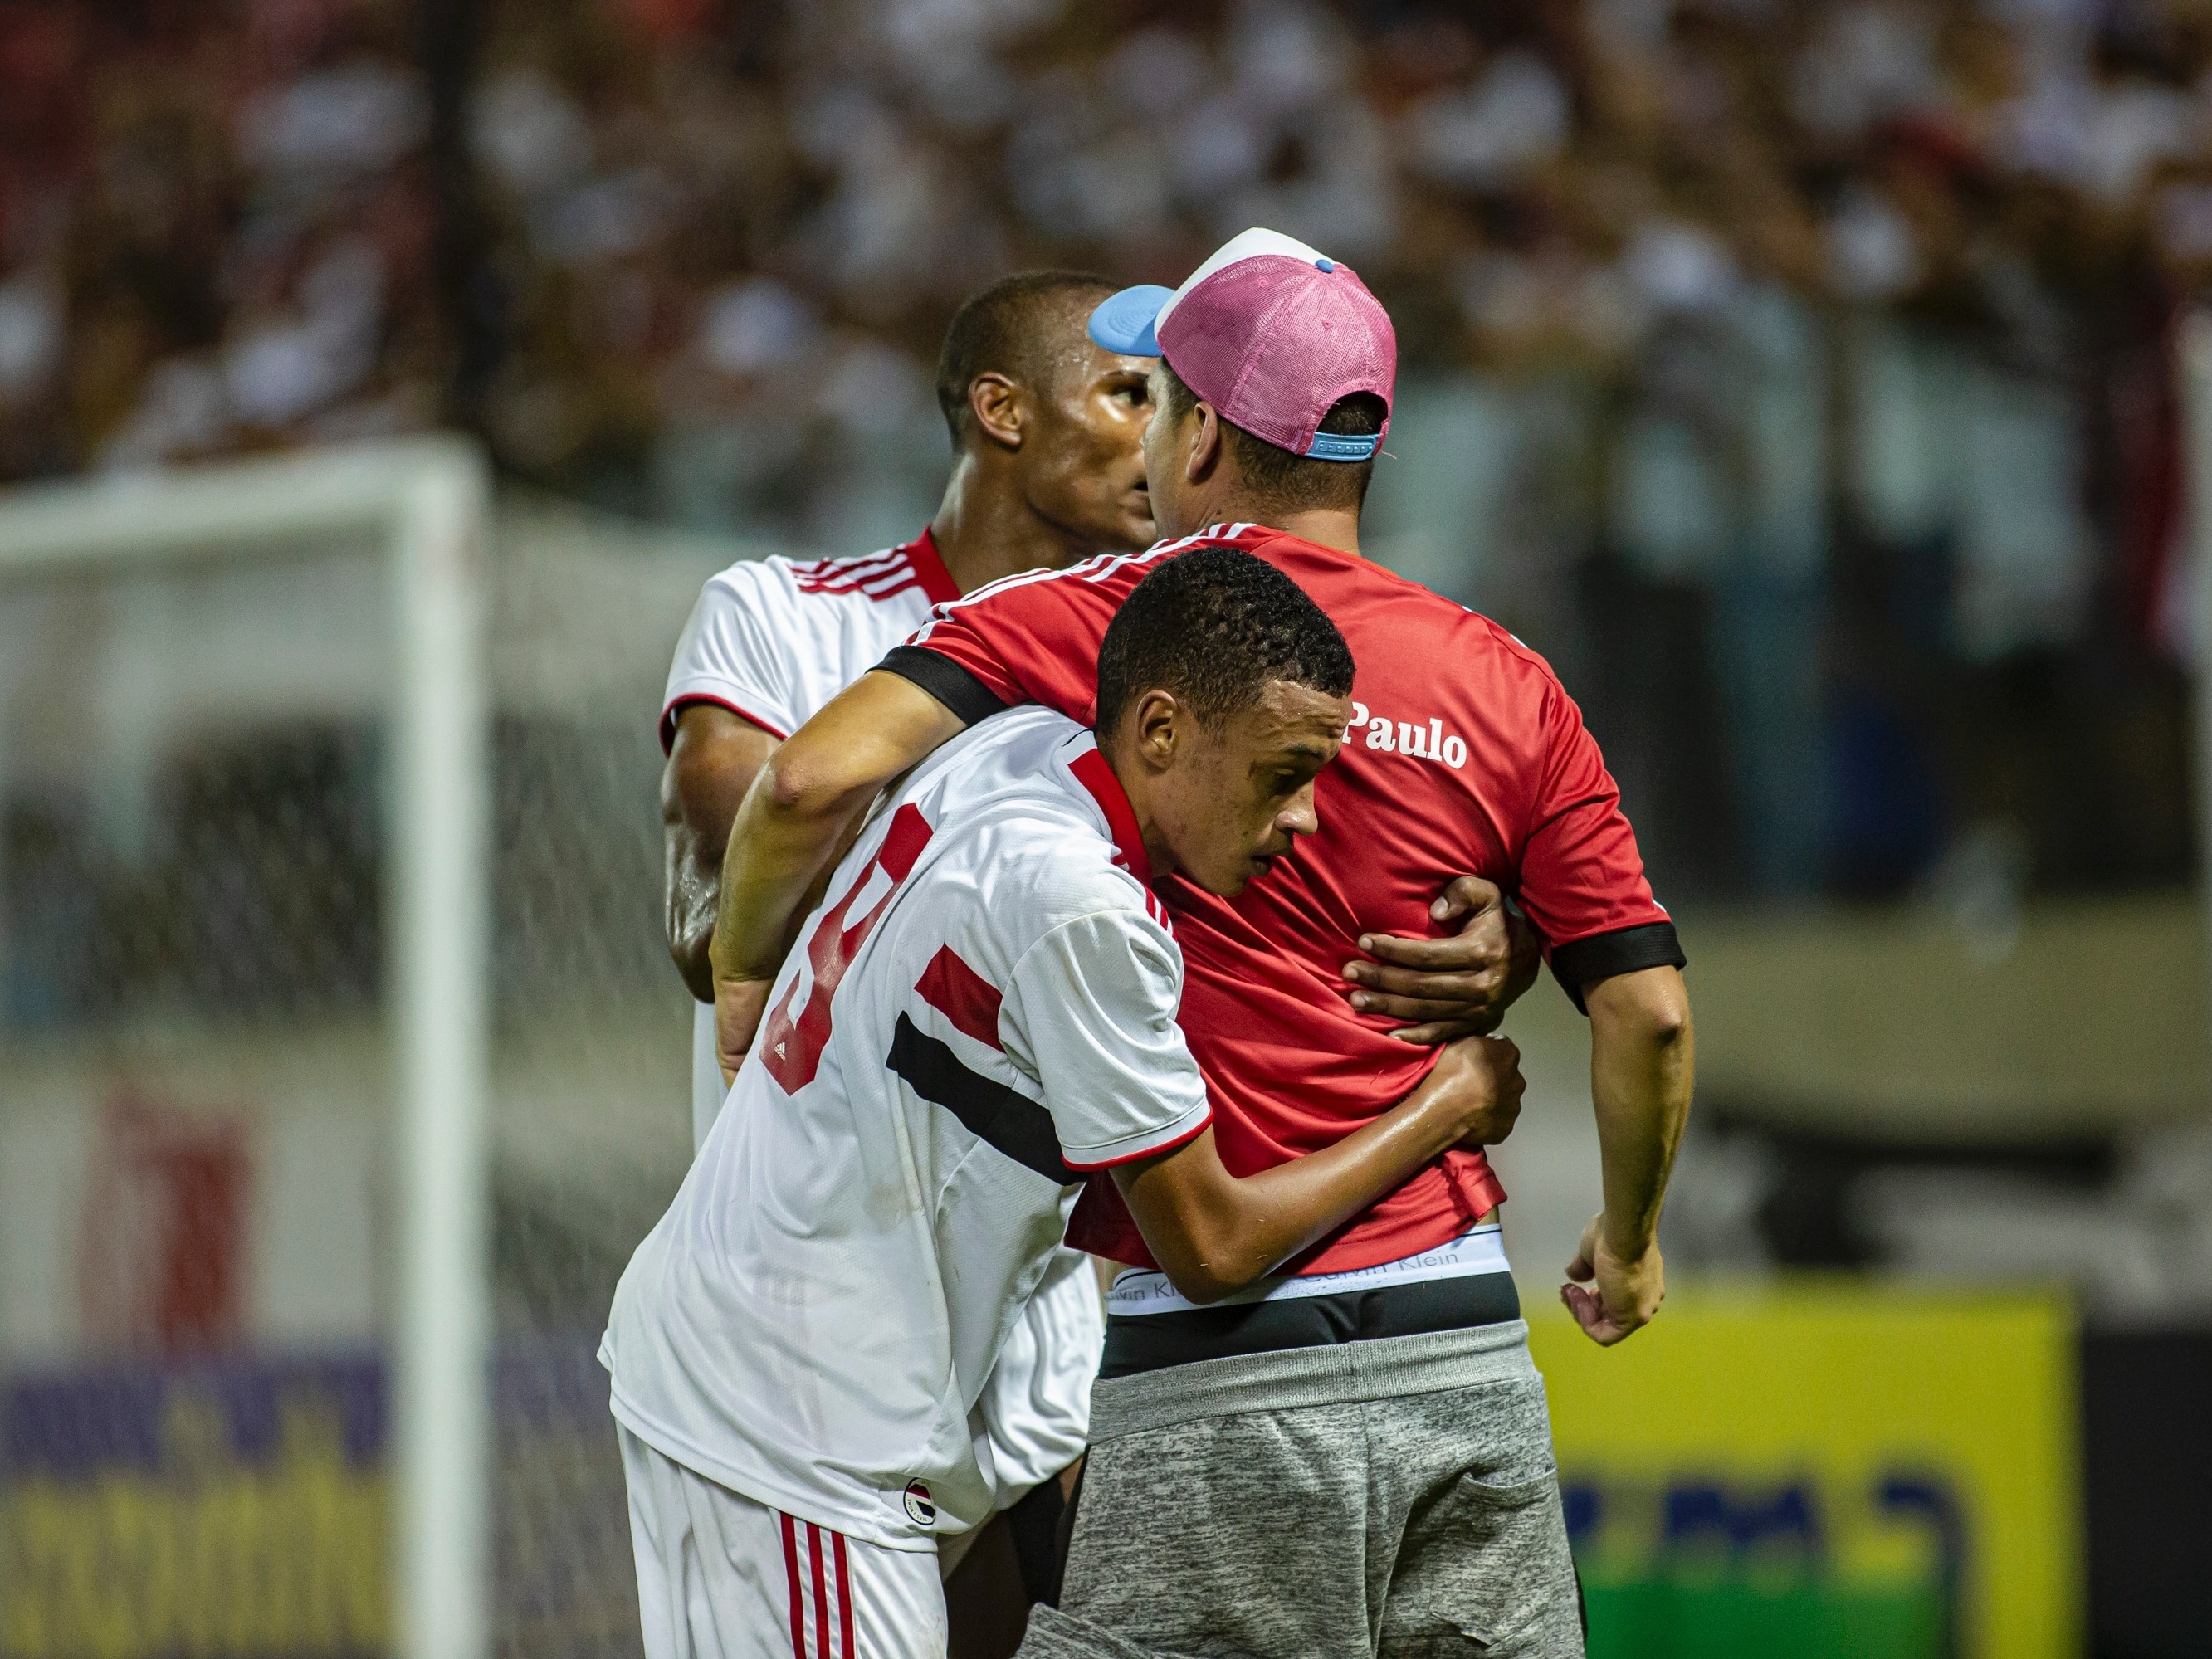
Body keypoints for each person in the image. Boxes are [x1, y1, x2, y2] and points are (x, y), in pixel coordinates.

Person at [708, 228, 1697, 1657]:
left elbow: (805, 779)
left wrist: (746, 972)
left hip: (1220, 1356)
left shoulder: (1109, 623)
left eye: (1157, 400)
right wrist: (1629, 1238)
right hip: (1466, 1338)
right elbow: (1651, 1012)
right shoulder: (1508, 681)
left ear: (1209, 439)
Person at [603, 548, 1529, 1659]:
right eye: (1282, 774)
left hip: (767, 1372)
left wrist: (747, 963)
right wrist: (1448, 1102)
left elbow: (803, 789)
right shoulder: (1082, 911)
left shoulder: (1009, 748)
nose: (1303, 822)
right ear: (1160, 731)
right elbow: (1210, 1243)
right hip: (797, 1424)